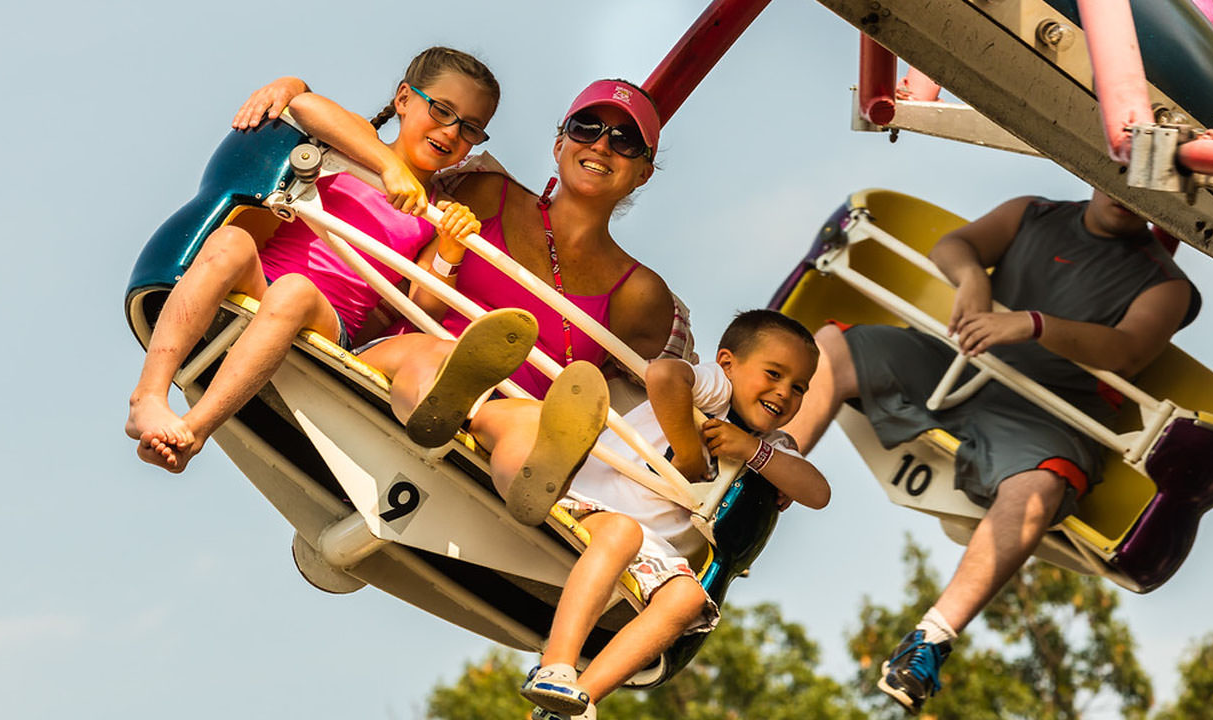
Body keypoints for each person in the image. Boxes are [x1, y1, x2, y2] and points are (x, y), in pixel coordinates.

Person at [783, 189, 1196, 714]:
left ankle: (930, 639)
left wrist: (1031, 323)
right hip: (960, 364)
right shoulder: (1034, 213)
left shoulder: (1166, 285)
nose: (1127, 195)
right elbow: (954, 246)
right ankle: (761, 477)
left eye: (1147, 190)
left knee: (1043, 484)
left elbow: (1128, 350)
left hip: (1045, 415)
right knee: (833, 346)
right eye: (1119, 174)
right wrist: (974, 276)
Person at [236, 76, 695, 448]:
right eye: (586, 128)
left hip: (507, 418)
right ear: (560, 145)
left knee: (527, 427)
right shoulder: (483, 192)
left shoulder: (642, 295)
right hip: (402, 369)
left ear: (643, 172)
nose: (601, 145)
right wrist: (294, 89)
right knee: (430, 364)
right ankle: (445, 409)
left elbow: (685, 392)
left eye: (626, 140)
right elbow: (389, 170)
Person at [125, 47, 500, 472]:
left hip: (327, 319)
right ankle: (148, 397)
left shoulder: (433, 210)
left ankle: (194, 430)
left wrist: (451, 248)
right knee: (229, 240)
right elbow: (305, 106)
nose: (451, 133)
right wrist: (387, 166)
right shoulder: (361, 142)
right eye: (442, 110)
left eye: (470, 128)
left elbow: (424, 306)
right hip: (261, 281)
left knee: (295, 292)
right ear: (403, 100)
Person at [458, 310, 829, 720]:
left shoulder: (769, 443)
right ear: (728, 363)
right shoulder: (715, 389)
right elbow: (665, 377)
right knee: (621, 533)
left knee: (688, 599)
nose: (784, 393)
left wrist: (754, 452)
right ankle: (556, 667)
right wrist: (688, 450)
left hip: (648, 543)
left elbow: (817, 491)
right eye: (773, 374)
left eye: (799, 388)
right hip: (588, 497)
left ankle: (576, 701)